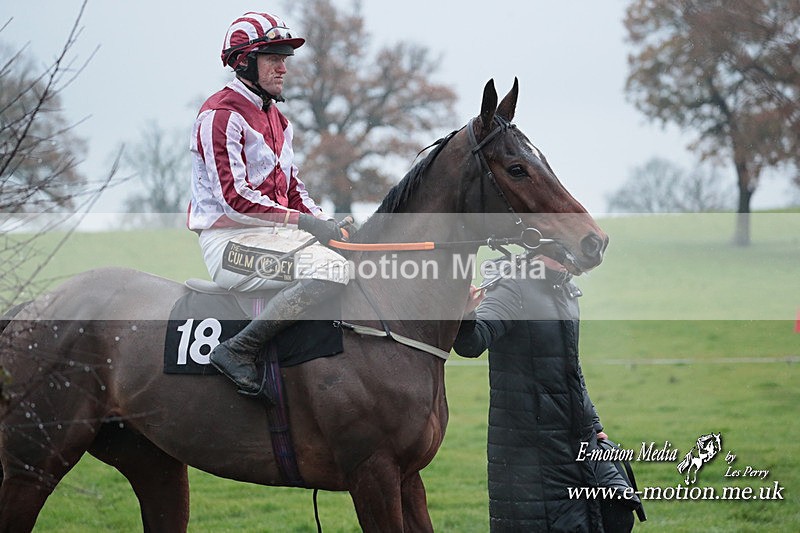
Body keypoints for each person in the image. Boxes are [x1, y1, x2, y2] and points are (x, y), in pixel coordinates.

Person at [187, 11, 349, 397]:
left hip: (272, 236)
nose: (283, 68)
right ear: (244, 62)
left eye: (284, 58)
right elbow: (235, 200)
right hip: (229, 246)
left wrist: (328, 223)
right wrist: (306, 225)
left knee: (350, 257)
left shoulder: (279, 120)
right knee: (331, 271)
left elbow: (294, 190)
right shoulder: (220, 116)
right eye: (273, 58)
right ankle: (238, 350)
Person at [453, 254, 641, 532]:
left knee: (617, 511)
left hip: (577, 435)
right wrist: (466, 313)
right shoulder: (511, 288)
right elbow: (472, 343)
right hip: (533, 447)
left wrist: (594, 423)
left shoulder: (565, 290)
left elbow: (570, 366)